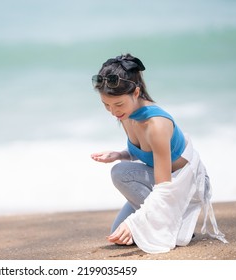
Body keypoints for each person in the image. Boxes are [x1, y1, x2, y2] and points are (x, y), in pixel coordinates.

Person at [90, 54, 227, 253]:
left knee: (119, 174)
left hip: (183, 184)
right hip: (161, 179)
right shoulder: (126, 113)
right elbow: (145, 151)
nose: (113, 111)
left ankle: (175, 223)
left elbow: (164, 187)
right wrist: (120, 154)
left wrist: (134, 223)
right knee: (120, 237)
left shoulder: (156, 125)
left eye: (118, 104)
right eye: (106, 105)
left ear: (136, 92)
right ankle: (160, 222)